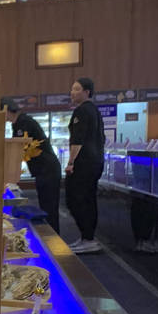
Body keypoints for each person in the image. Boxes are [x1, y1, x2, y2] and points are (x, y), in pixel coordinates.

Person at [4, 99, 61, 233]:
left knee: (49, 206)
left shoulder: (24, 122)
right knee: (46, 204)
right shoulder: (17, 123)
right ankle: (51, 235)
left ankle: (53, 238)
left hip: (48, 169)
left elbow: (18, 148)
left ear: (7, 110)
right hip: (42, 170)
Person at [65, 77, 105, 254]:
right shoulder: (94, 110)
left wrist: (71, 162)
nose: (72, 93)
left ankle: (87, 238)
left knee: (76, 200)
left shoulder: (81, 111)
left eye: (76, 89)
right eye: (72, 89)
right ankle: (87, 237)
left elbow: (77, 140)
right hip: (95, 162)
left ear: (87, 92)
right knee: (89, 199)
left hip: (84, 163)